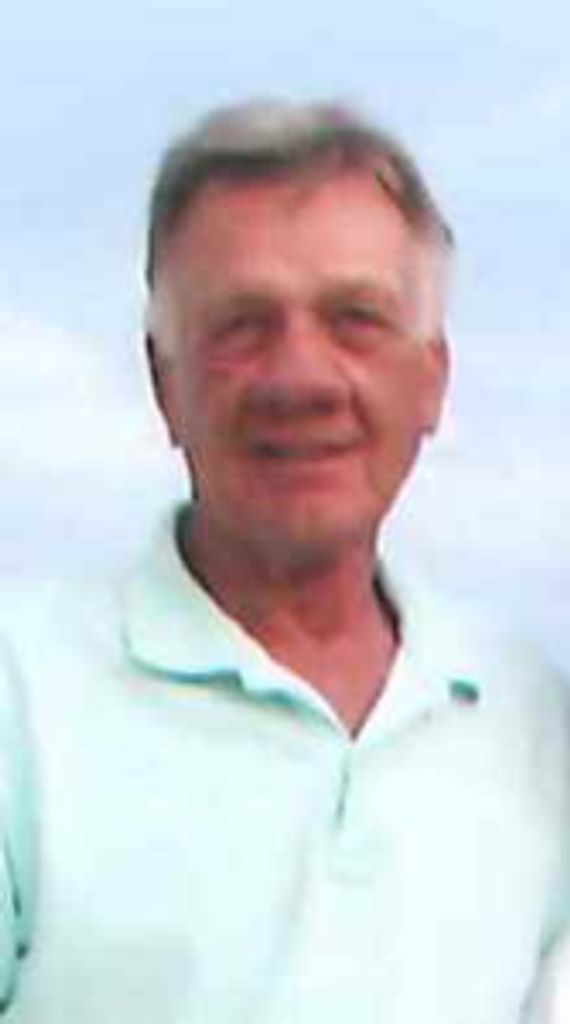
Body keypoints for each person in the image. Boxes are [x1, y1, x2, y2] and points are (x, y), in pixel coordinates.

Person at [1, 99, 569, 1023]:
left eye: (356, 320)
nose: (300, 378)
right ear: (164, 383)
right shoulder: (19, 696)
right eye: (242, 325)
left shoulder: (531, 720)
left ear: (431, 379)